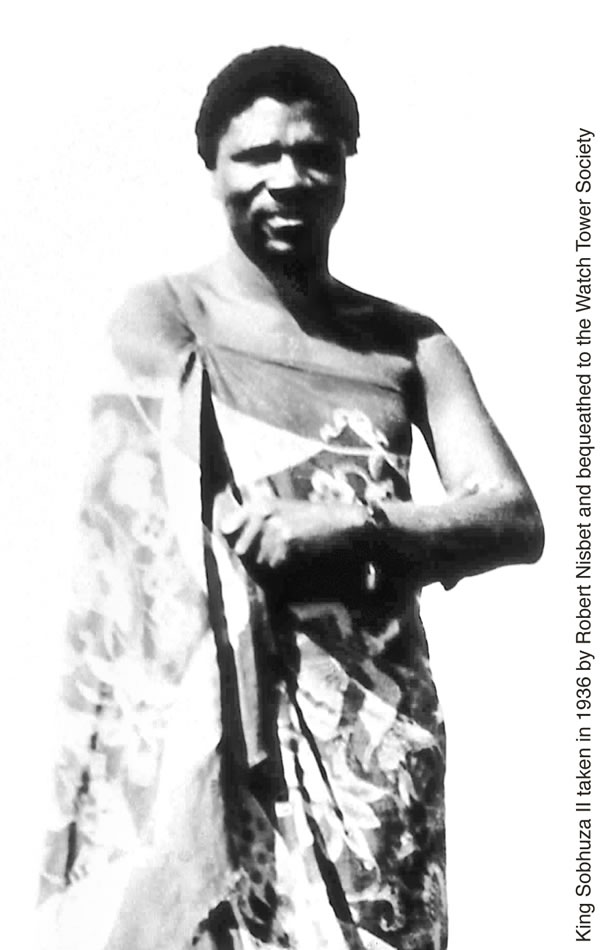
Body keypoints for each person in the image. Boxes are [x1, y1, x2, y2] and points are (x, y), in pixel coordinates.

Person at [38, 47, 543, 950]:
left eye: (315, 154)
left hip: (375, 752)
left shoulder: (410, 346)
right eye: (257, 155)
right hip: (213, 758)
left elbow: (512, 516)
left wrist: (358, 525)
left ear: (348, 162)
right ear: (212, 167)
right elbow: (147, 548)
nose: (288, 178)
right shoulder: (168, 320)